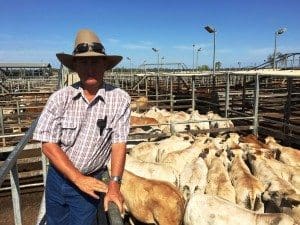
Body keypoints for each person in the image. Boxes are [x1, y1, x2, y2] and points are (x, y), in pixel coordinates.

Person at [33, 29, 131, 225]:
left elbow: (119, 144)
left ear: (105, 65)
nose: (90, 68)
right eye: (83, 62)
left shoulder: (120, 99)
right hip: (58, 178)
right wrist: (78, 178)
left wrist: (114, 184)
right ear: (75, 66)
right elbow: (48, 145)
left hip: (89, 182)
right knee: (55, 222)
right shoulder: (60, 98)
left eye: (95, 61)